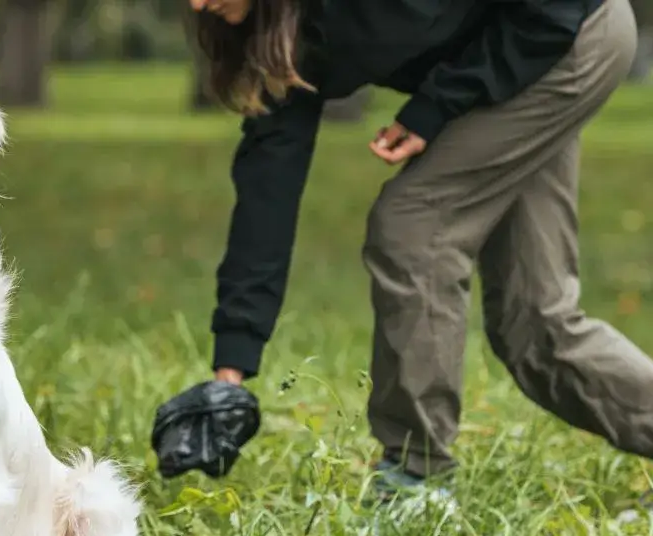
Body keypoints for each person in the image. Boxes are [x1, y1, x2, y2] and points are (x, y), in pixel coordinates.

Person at [166, 0, 652, 498]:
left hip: (566, 34)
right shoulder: (275, 29)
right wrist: (231, 372)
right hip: (506, 62)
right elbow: (269, 187)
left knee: (413, 226)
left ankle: (413, 479)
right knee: (535, 321)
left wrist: (434, 106)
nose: (197, 3)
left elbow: (550, 12)